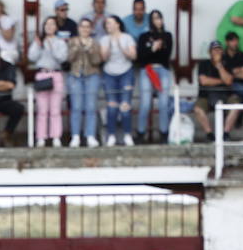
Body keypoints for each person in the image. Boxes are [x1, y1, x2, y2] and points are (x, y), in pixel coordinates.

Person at [134, 11, 174, 144]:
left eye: (159, 18)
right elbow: (141, 57)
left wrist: (156, 49)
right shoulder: (144, 36)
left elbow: (166, 55)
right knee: (145, 103)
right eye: (154, 18)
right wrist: (152, 49)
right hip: (147, 70)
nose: (158, 21)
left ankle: (164, 132)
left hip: (162, 69)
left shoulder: (167, 36)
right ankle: (141, 132)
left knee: (163, 103)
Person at [28, 16, 67, 148]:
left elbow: (62, 58)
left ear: (56, 27)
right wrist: (39, 46)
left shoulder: (60, 42)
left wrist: (51, 46)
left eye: (52, 24)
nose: (49, 27)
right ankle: (41, 137)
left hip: (56, 74)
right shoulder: (39, 41)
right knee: (42, 110)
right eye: (47, 24)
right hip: (42, 75)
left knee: (55, 109)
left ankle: (56, 137)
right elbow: (31, 57)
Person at [193, 40, 243, 142]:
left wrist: (219, 66)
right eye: (214, 50)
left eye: (219, 50)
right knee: (198, 109)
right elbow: (204, 81)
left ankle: (225, 134)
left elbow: (229, 81)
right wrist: (221, 81)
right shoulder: (203, 64)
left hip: (225, 95)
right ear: (210, 52)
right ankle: (209, 134)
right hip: (206, 96)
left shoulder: (228, 63)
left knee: (236, 106)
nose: (217, 52)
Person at [99, 15, 137, 146]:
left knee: (125, 106)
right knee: (112, 106)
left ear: (117, 24)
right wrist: (109, 46)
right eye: (106, 24)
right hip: (109, 74)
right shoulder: (104, 39)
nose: (107, 26)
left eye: (110, 23)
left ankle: (127, 134)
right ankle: (111, 135)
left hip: (126, 73)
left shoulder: (127, 37)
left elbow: (133, 56)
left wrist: (122, 48)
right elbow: (103, 58)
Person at [66, 18, 103, 148]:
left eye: (88, 27)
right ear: (78, 28)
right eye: (83, 27)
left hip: (92, 75)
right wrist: (77, 48)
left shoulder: (95, 43)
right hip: (76, 75)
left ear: (91, 29)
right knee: (76, 106)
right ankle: (75, 136)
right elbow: (69, 58)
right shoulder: (72, 41)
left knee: (91, 107)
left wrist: (90, 50)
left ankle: (90, 135)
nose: (85, 29)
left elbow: (97, 61)